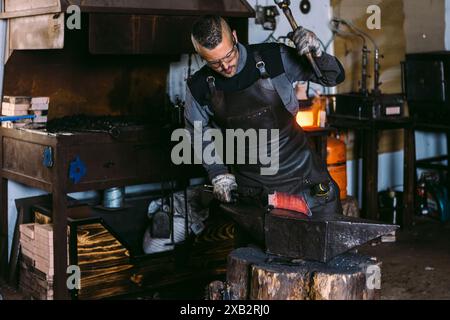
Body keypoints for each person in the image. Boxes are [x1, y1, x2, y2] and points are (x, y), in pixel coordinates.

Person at [184, 15, 345, 216]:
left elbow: (334, 77)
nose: (225, 67)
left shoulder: (274, 57)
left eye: (229, 56)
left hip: (304, 178)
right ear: (200, 55)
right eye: (215, 63)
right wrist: (218, 173)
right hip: (254, 193)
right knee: (261, 246)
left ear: (234, 37)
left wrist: (318, 53)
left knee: (328, 241)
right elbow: (196, 132)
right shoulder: (199, 87)